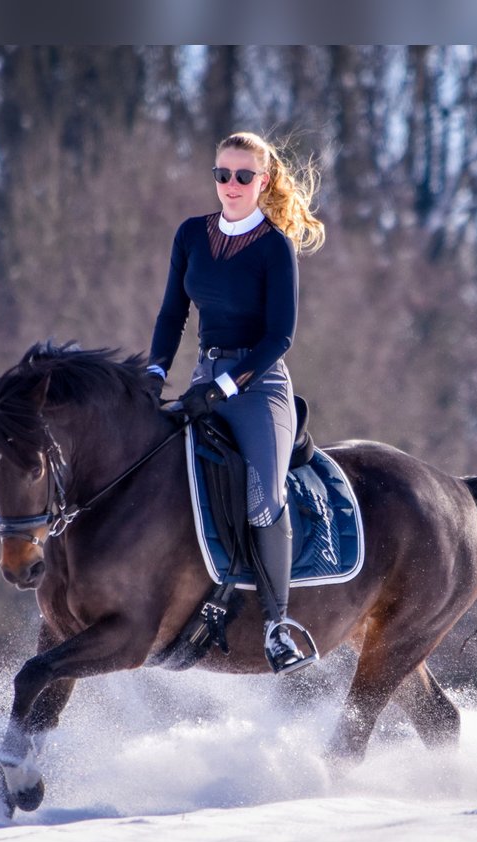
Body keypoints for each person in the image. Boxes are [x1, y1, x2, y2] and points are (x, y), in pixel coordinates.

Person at [146, 131, 326, 674]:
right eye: (222, 174)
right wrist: (154, 375)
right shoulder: (190, 235)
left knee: (263, 497)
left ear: (263, 182)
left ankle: (277, 625)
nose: (230, 185)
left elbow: (280, 338)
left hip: (259, 384)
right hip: (205, 371)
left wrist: (225, 388)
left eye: (243, 176)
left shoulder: (275, 246)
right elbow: (172, 313)